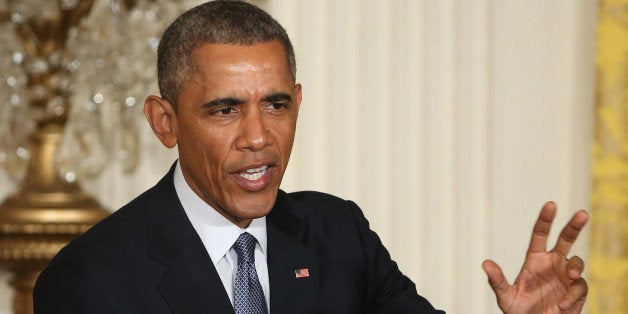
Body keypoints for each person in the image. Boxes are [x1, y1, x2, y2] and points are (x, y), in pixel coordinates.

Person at [33, 1, 588, 313]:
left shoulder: (337, 234)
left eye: (275, 104)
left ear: (298, 103)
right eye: (225, 110)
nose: (259, 136)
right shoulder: (90, 281)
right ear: (165, 123)